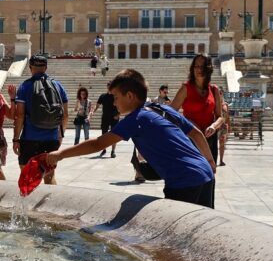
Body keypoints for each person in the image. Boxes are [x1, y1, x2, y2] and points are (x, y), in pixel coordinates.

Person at [45, 69, 216, 208]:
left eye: (116, 97)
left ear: (130, 96)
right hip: (205, 174)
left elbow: (98, 144)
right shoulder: (162, 109)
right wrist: (209, 160)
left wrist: (60, 154)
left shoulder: (136, 119)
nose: (113, 103)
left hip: (183, 181)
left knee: (178, 239)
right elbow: (196, 133)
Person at [13, 55, 69, 185]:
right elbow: (65, 115)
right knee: (49, 177)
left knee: (27, 177)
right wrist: (60, 135)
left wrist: (16, 139)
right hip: (51, 138)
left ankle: (28, 204)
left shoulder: (25, 87)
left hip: (29, 139)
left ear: (30, 68)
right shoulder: (58, 86)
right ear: (46, 68)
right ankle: (50, 203)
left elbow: (20, 115)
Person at [170, 54, 224, 163]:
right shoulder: (186, 88)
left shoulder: (214, 89)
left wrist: (213, 126)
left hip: (209, 138)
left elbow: (220, 117)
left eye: (202, 66)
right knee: (192, 173)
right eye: (196, 66)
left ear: (208, 68)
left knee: (209, 173)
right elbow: (170, 113)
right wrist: (187, 122)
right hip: (190, 137)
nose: (199, 69)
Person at [92, 80, 120, 158]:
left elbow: (121, 107)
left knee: (114, 135)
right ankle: (104, 149)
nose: (109, 88)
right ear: (107, 87)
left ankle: (113, 151)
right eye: (108, 86)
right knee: (104, 134)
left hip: (114, 118)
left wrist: (118, 114)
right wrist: (92, 112)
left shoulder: (117, 96)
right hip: (105, 118)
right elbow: (97, 105)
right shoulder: (103, 96)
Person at [218, 89, 230, 166]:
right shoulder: (213, 103)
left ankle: (221, 160)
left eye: (221, 93)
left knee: (222, 144)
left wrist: (229, 126)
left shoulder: (225, 105)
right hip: (215, 126)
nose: (220, 95)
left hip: (223, 127)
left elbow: (227, 116)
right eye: (218, 93)